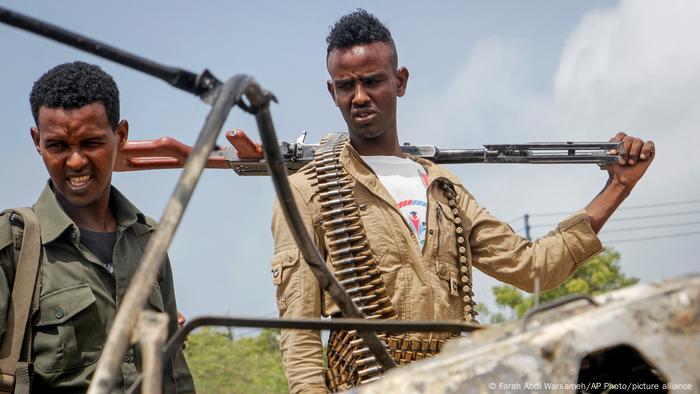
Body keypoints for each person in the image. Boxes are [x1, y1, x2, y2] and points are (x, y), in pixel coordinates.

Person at [271, 9, 654, 394]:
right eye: (345, 86)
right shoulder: (309, 192)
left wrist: (618, 186)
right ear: (331, 92)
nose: (359, 97)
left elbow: (531, 266)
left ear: (400, 82)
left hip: (453, 381)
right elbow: (301, 332)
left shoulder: (442, 187)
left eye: (372, 81)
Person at [0, 61, 195, 392]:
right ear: (37, 141)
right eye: (58, 146)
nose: (75, 161)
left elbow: (174, 374)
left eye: (90, 143)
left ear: (120, 136)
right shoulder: (14, 244)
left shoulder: (148, 239)